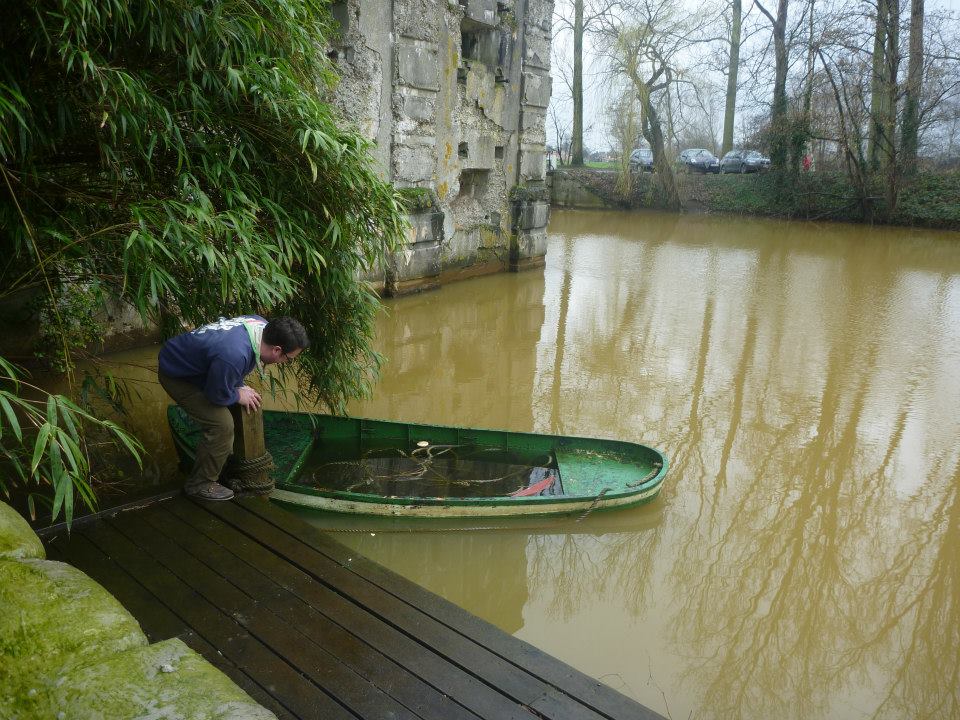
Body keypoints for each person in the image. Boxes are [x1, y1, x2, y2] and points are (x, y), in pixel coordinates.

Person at [158, 315, 309, 500]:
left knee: (238, 404)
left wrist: (236, 384)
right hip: (177, 375)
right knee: (222, 425)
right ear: (277, 350)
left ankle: (220, 461)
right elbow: (216, 394)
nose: (286, 363)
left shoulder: (259, 325)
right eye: (289, 359)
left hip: (200, 364)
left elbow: (228, 361)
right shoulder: (234, 354)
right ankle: (199, 484)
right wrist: (236, 394)